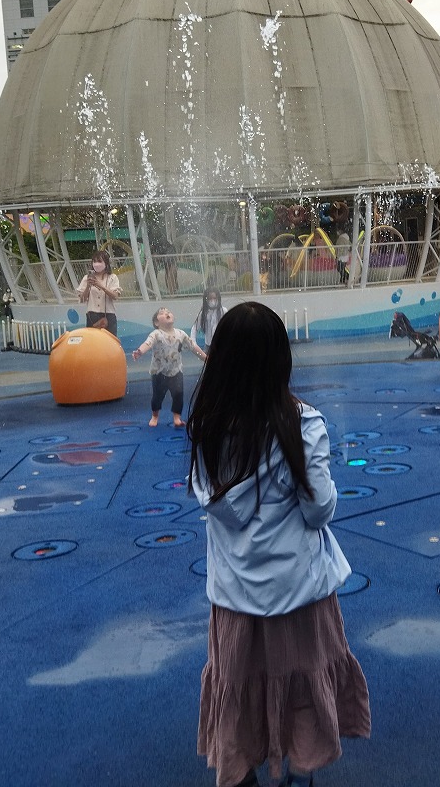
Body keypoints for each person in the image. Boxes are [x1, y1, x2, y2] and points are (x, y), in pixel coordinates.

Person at [188, 302, 371, 787]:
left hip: (235, 598)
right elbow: (318, 509)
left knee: (238, 687)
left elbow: (220, 505)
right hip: (300, 594)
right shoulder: (303, 423)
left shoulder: (208, 430)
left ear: (220, 360)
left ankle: (240, 770)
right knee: (302, 689)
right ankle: (301, 768)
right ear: (280, 361)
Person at [132, 307, 207, 428]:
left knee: (178, 394)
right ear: (156, 323)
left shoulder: (181, 334)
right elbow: (148, 343)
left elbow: (193, 347)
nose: (166, 313)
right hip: (159, 371)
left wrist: (205, 358)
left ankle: (177, 417)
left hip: (176, 370)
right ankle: (155, 415)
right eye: (162, 313)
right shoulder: (156, 334)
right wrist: (140, 351)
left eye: (168, 312)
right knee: (158, 396)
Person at [76, 249, 121, 337]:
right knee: (93, 342)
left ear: (106, 263)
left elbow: (115, 296)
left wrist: (101, 286)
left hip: (108, 315)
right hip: (92, 315)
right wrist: (88, 286)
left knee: (110, 342)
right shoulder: (87, 278)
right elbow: (82, 299)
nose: (96, 264)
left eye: (99, 261)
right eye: (94, 261)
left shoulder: (112, 277)